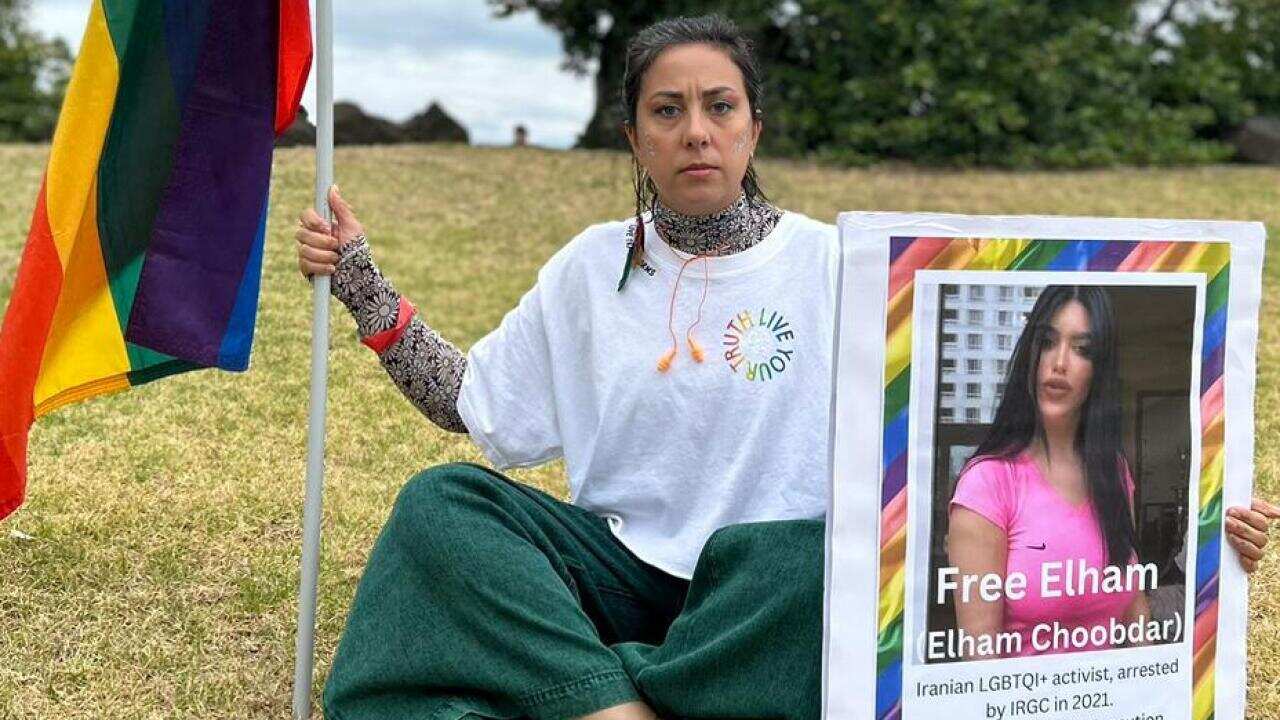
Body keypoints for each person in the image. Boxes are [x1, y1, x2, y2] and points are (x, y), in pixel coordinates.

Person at [293, 16, 1277, 720]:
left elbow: (1001, 452)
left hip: (769, 591)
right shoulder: (589, 265)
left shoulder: (842, 262)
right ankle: (616, 702)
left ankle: (577, 684)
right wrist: (363, 285)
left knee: (823, 558)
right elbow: (475, 407)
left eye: (718, 106)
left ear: (753, 125)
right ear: (632, 135)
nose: (695, 130)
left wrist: (1206, 532)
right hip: (621, 568)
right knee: (443, 511)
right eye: (665, 110)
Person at [947, 286, 1277, 660]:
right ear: (1030, 354)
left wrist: (1228, 541)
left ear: (1099, 370)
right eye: (1047, 341)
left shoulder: (1115, 473)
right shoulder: (987, 484)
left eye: (1082, 349)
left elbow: (1133, 604)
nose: (1059, 363)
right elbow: (979, 665)